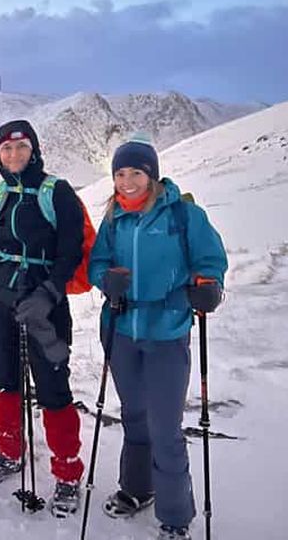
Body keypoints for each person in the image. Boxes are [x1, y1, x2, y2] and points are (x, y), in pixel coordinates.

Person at [88, 133, 227, 540]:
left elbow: (210, 259)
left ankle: (175, 515)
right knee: (133, 415)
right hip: (120, 328)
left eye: (136, 173)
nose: (127, 181)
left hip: (167, 329)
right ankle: (137, 489)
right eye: (120, 174)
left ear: (152, 175)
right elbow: (97, 263)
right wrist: (105, 280)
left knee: (165, 425)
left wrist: (208, 284)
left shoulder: (182, 215)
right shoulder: (113, 217)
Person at [0, 119, 86, 517]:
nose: (13, 155)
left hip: (44, 299)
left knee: (53, 385)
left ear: (34, 150)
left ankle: (67, 472)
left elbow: (71, 250)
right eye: (5, 150)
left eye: (20, 147)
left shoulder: (56, 193)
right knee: (4, 379)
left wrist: (49, 293)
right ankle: (9, 452)